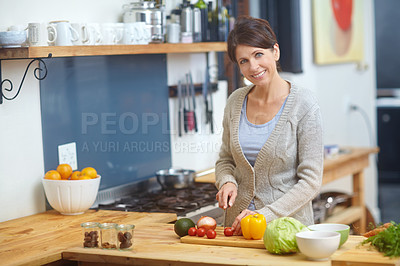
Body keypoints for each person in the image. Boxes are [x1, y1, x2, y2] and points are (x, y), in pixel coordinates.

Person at [215, 16, 324, 235]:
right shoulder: (235, 101)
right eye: (243, 61)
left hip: (287, 230)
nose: (253, 67)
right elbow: (225, 159)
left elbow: (311, 181)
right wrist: (227, 182)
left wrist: (263, 215)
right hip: (237, 230)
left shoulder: (304, 104)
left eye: (258, 54)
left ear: (275, 51)